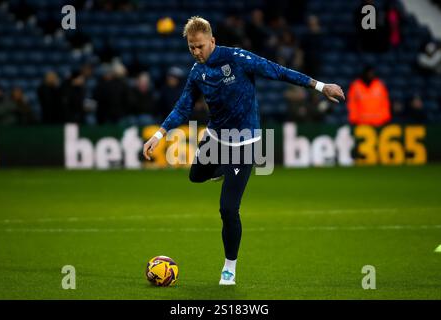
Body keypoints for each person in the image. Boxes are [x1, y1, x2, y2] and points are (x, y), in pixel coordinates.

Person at [142, 16, 345, 285]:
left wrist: (321, 87)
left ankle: (229, 267)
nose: (196, 52)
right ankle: (220, 172)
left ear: (212, 41)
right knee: (195, 176)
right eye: (191, 47)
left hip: (244, 144)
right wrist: (159, 134)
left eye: (200, 46)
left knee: (228, 209)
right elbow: (183, 107)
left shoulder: (238, 59)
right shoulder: (196, 72)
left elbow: (278, 70)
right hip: (215, 138)